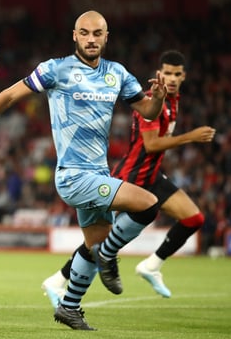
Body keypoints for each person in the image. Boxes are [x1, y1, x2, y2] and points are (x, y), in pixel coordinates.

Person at [0, 11, 168, 330]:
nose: (91, 39)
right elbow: (8, 96)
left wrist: (158, 99)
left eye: (97, 33)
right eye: (85, 33)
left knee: (93, 247)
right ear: (74, 36)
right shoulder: (56, 69)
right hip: (74, 176)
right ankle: (109, 254)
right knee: (148, 204)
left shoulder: (117, 74)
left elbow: (147, 109)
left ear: (107, 37)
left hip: (98, 174)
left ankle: (69, 306)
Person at [41, 50, 216, 304]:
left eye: (177, 74)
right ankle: (58, 280)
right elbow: (151, 144)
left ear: (184, 76)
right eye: (167, 73)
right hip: (133, 174)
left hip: (153, 175)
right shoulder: (151, 101)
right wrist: (191, 137)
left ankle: (151, 266)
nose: (172, 78)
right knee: (100, 240)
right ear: (159, 73)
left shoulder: (172, 100)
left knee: (194, 218)